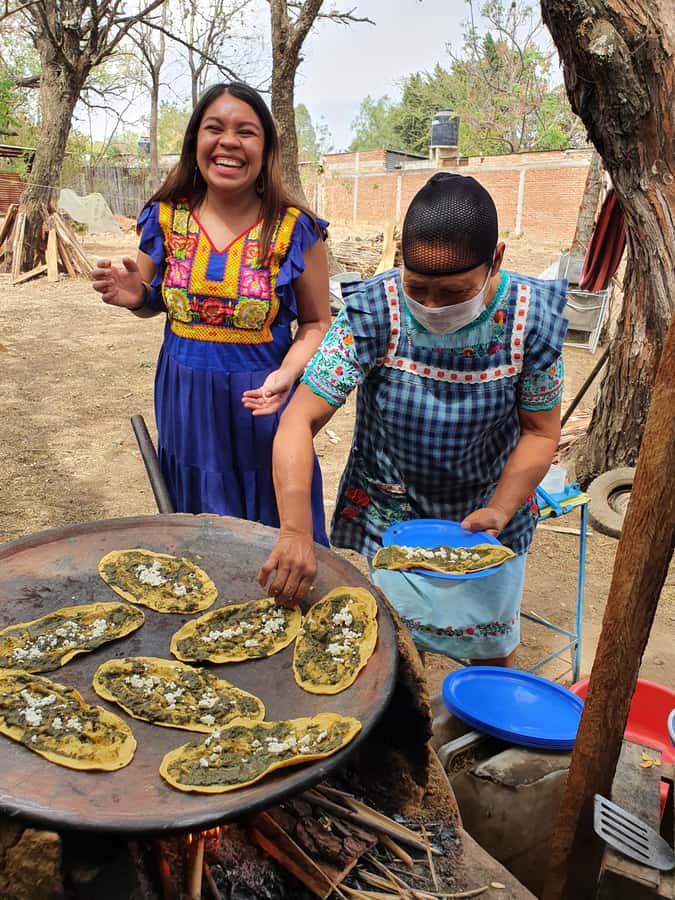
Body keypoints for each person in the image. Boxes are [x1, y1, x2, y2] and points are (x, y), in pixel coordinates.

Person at [258, 172, 568, 666]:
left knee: (486, 649)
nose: (430, 305)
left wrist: (503, 508)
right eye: (418, 287)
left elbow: (539, 431)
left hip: (486, 510)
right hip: (390, 509)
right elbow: (298, 420)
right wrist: (295, 530)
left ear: (497, 262)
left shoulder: (530, 319)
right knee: (394, 649)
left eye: (453, 292)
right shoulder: (374, 311)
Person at [92, 82, 331, 542]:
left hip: (262, 399)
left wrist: (288, 374)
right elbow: (152, 298)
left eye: (246, 131)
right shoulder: (164, 218)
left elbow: (317, 323)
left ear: (266, 149)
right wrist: (136, 297)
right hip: (185, 401)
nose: (228, 142)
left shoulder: (295, 229)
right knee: (198, 532)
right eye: (214, 128)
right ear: (195, 142)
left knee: (271, 529)